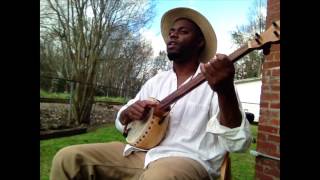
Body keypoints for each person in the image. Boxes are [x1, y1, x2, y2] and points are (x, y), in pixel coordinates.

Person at [50, 7, 252, 180]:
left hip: (188, 159)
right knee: (68, 158)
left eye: (182, 32)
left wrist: (224, 91)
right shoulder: (156, 81)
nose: (173, 35)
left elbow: (238, 143)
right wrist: (128, 113)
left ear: (199, 42)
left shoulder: (217, 79)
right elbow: (123, 122)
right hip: (140, 153)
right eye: (171, 32)